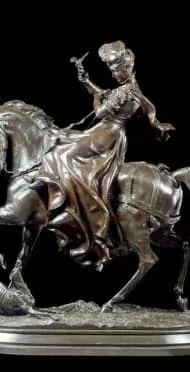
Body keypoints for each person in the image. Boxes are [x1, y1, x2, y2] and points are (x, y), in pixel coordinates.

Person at [39, 40, 175, 270]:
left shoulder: (128, 91)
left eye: (115, 70)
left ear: (126, 67)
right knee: (59, 143)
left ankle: (77, 202)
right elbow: (102, 94)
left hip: (107, 134)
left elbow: (101, 111)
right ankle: (69, 197)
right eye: (111, 70)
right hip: (103, 131)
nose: (113, 74)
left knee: (62, 156)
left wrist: (96, 97)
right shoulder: (128, 88)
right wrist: (87, 82)